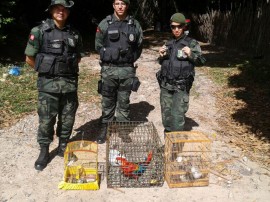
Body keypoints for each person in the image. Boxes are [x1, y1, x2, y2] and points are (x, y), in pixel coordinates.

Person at [24, 0, 83, 171]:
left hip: (69, 85)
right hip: (48, 86)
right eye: (57, 8)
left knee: (68, 118)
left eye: (64, 9)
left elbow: (77, 57)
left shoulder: (74, 33)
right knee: (46, 120)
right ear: (51, 11)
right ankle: (44, 151)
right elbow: (29, 58)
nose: (61, 11)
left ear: (68, 12)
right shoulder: (39, 31)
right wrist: (46, 70)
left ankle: (63, 145)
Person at [95, 0, 143, 144]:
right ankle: (106, 127)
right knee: (107, 100)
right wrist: (111, 56)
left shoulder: (135, 25)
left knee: (124, 100)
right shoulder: (105, 24)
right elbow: (98, 45)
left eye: (123, 3)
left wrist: (128, 60)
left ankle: (123, 129)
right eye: (117, 3)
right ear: (113, 5)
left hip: (127, 70)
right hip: (109, 70)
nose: (120, 6)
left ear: (127, 5)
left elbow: (139, 46)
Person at [157, 13, 206, 137]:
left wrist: (191, 54)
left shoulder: (192, 43)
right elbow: (162, 62)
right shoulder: (168, 43)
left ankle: (174, 150)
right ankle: (168, 147)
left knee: (177, 120)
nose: (176, 29)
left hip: (181, 88)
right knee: (166, 119)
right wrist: (161, 56)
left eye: (179, 27)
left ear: (184, 27)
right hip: (166, 87)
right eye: (173, 27)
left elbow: (202, 61)